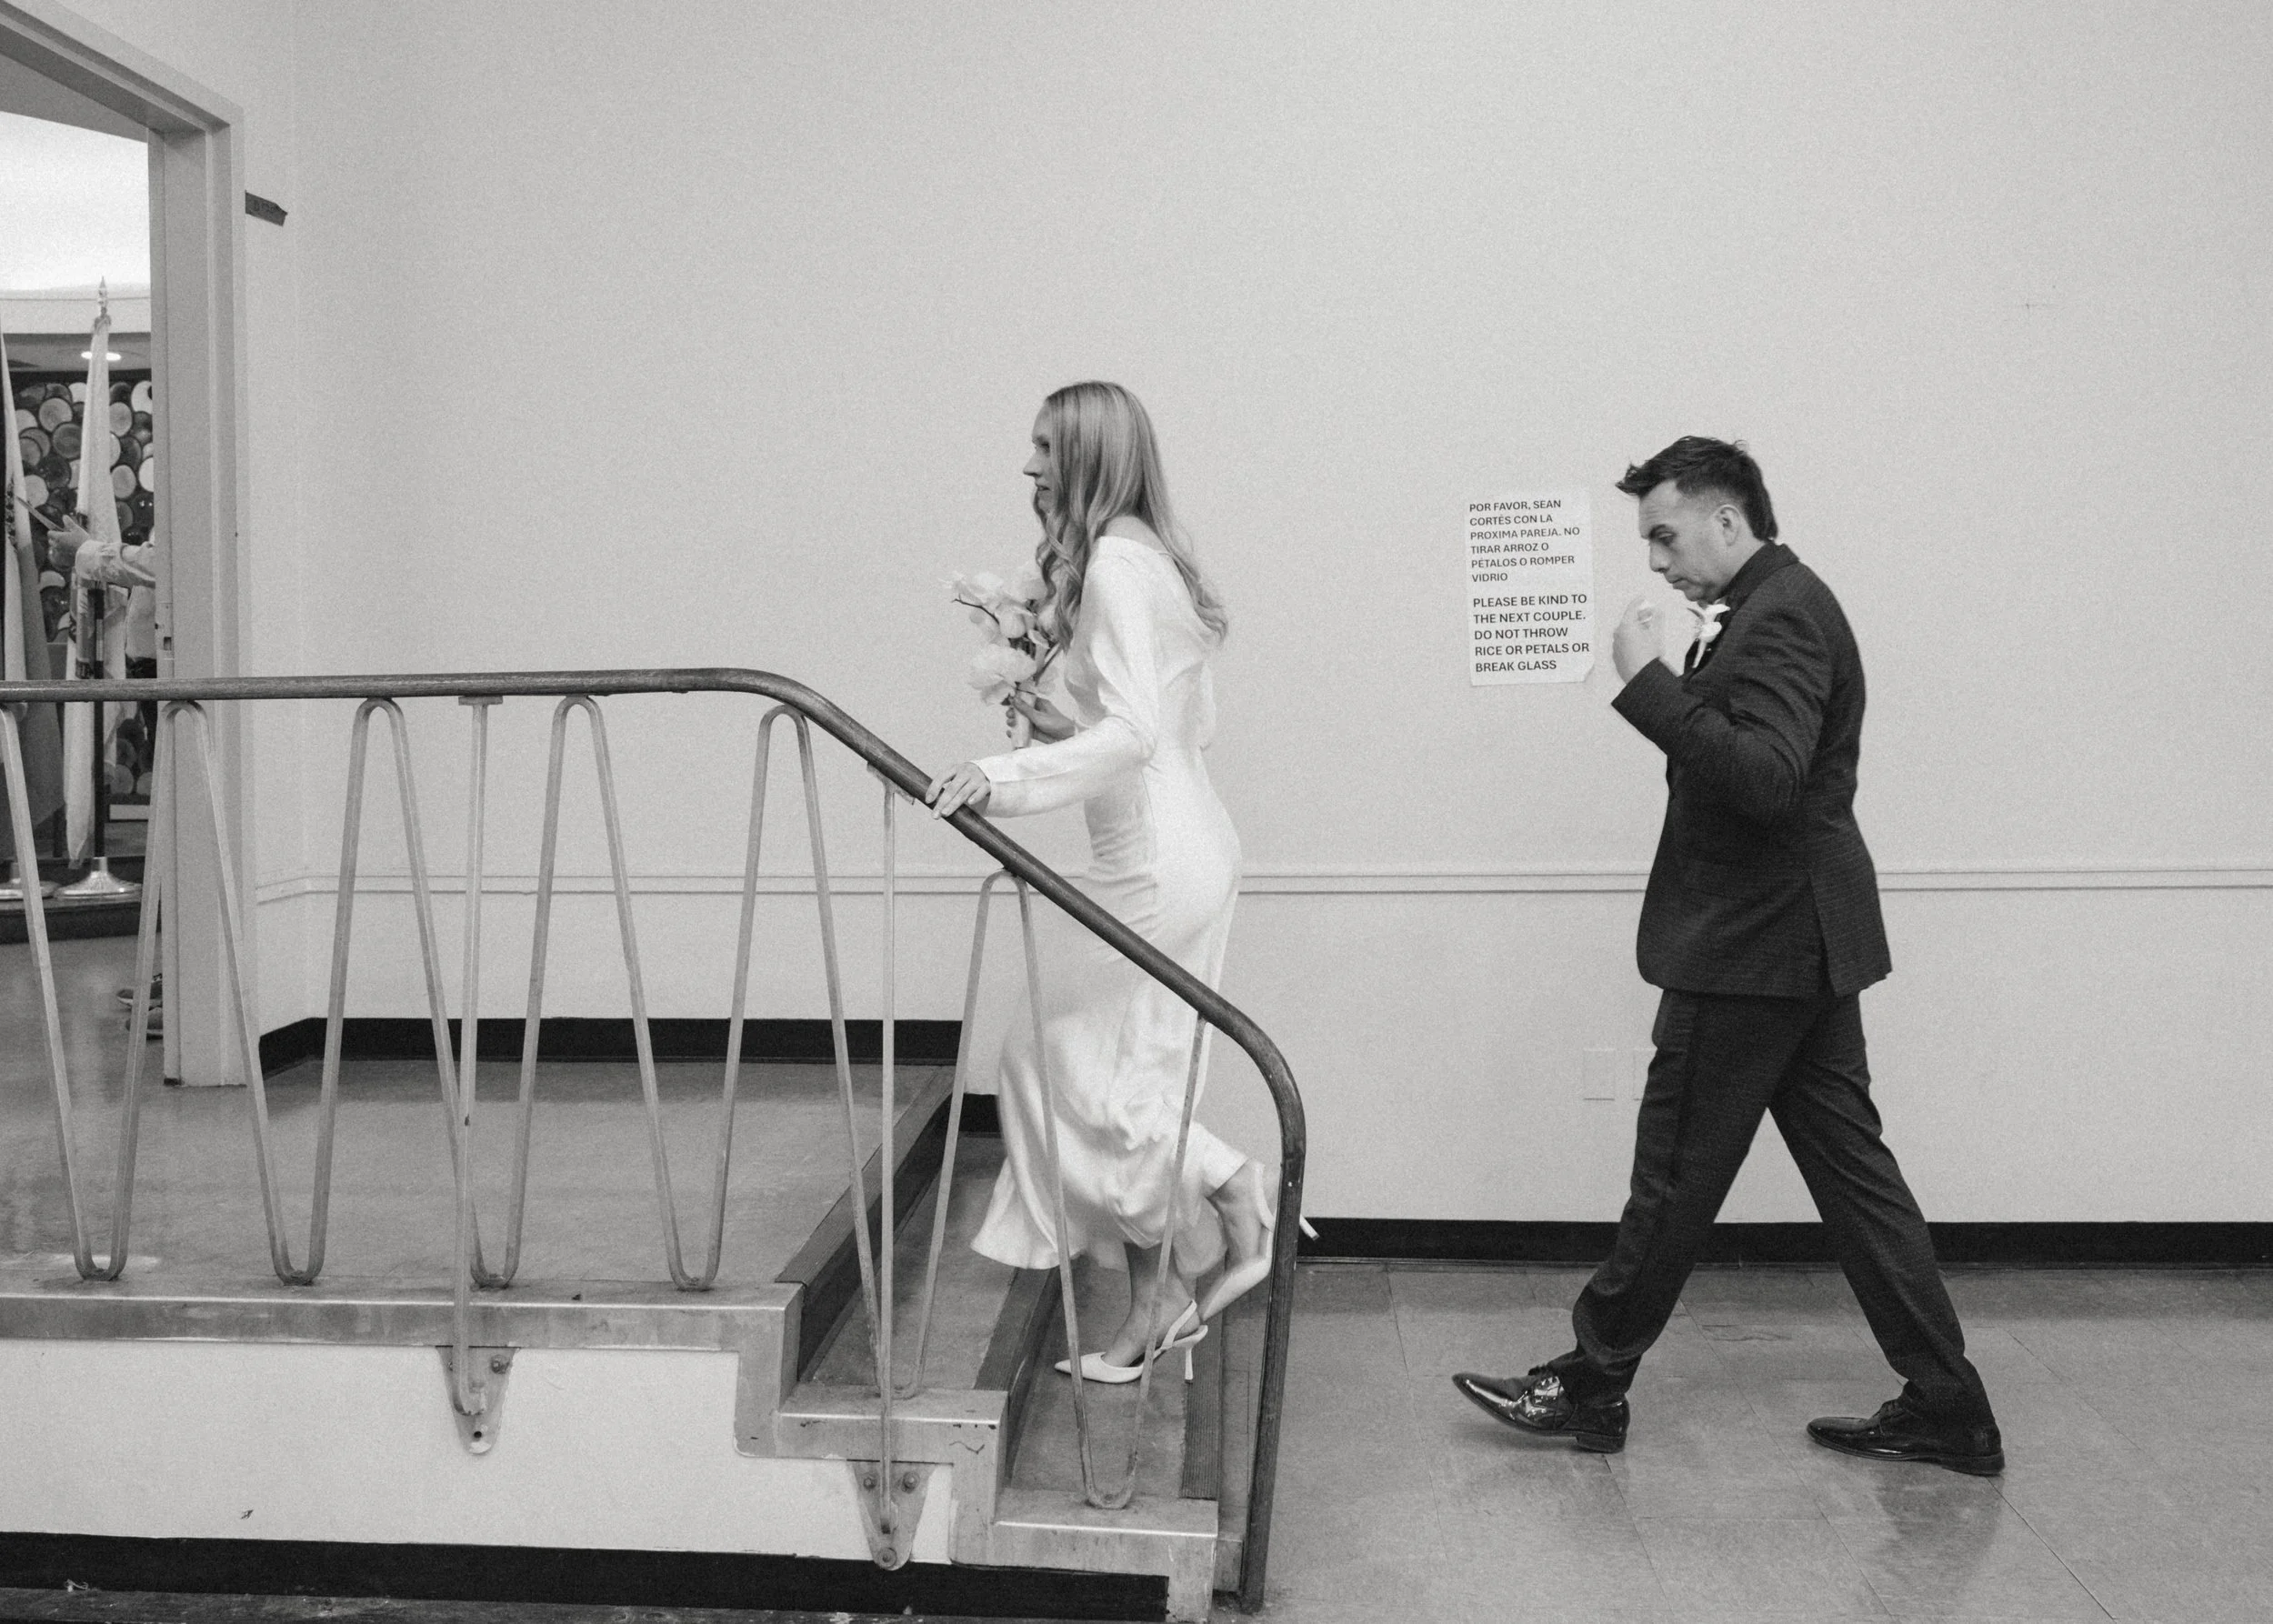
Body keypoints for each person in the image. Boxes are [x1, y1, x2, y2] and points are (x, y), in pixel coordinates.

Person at [1452, 436, 2003, 1474]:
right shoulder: (1772, 607)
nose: (1655, 560)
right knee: (1856, 1181)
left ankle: (1588, 1382)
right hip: (1797, 942)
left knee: (1671, 1179)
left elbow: (1768, 778)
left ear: (1724, 518)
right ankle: (1948, 1406)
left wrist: (1646, 685)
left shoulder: (1783, 611)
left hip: (1753, 948)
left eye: (1664, 534)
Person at [926, 381, 1273, 1381]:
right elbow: (1177, 730)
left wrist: (1001, 776)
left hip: (1159, 856)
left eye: (1044, 447)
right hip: (1183, 838)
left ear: (1085, 455)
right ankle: (1169, 1277)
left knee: (1056, 1057)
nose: (1029, 467)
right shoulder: (1146, 557)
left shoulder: (1119, 563)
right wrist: (1060, 733)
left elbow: (1135, 737)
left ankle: (1222, 1196)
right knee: (1095, 1066)